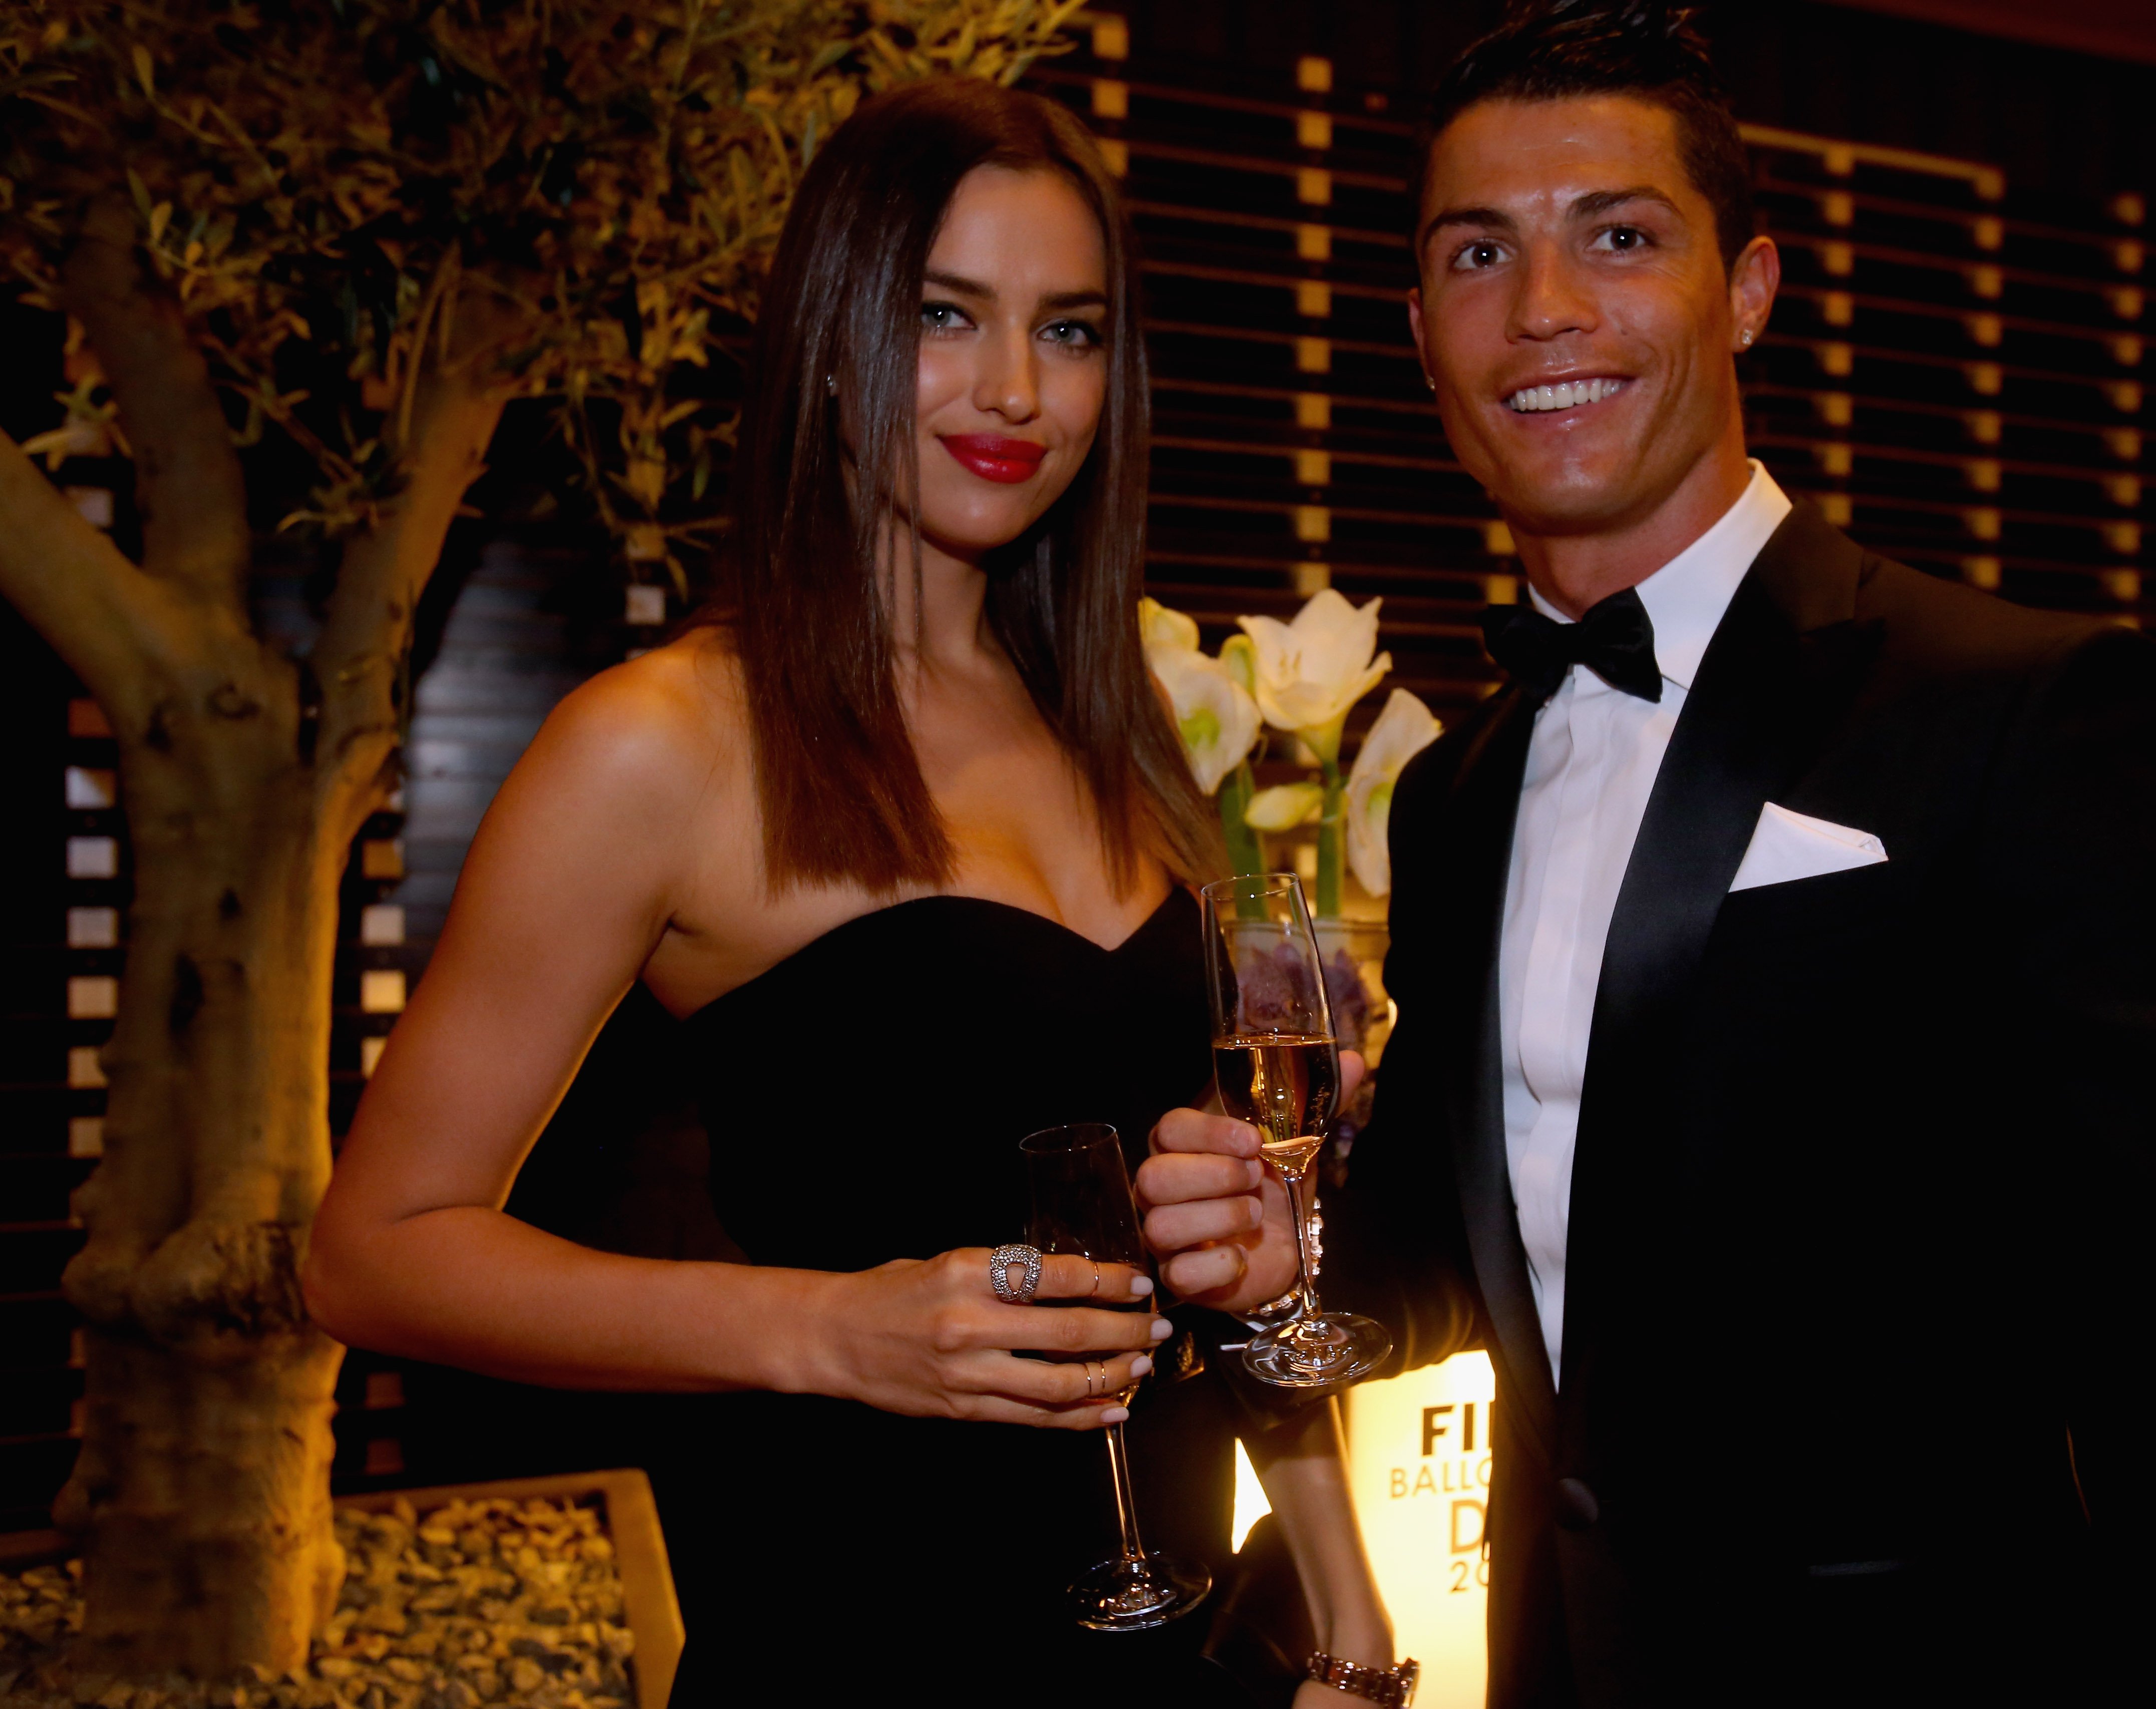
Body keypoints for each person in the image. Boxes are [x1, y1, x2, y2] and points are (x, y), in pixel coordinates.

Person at [1133, 3, 2156, 1696]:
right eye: (1479, 253)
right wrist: (1289, 1272)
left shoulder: (2021, 707)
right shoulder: (1454, 793)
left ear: (1749, 290)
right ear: (1421, 333)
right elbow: (1455, 1257)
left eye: (1620, 237)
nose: (1544, 306)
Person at [306, 78, 1386, 1703]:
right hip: (861, 1637)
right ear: (827, 340)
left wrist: (1353, 1633)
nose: (1014, 387)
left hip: (1183, 1648)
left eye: (1070, 330)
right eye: (945, 315)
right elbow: (373, 1252)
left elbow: (1231, 1262)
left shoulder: (1119, 725)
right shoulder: (666, 741)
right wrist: (827, 1328)